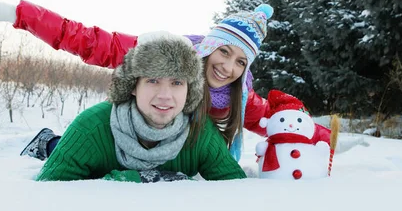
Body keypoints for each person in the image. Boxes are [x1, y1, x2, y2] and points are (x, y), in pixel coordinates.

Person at [0, 0, 276, 161]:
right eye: (224, 52)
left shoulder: (240, 95)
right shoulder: (166, 54)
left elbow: (278, 120)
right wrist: (18, 14)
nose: (228, 67)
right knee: (92, 157)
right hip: (132, 140)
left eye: (240, 62)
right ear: (209, 46)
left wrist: (317, 135)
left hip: (177, 156)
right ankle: (48, 143)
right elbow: (91, 42)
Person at [31, 31, 246, 182]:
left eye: (177, 83)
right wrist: (126, 180)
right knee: (61, 148)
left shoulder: (200, 131)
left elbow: (237, 190)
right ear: (133, 85)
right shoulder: (90, 127)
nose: (165, 96)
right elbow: (49, 197)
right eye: (153, 80)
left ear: (189, 89)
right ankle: (45, 142)